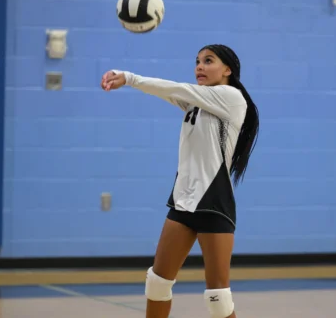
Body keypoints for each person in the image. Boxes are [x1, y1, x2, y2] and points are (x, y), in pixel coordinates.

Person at [100, 44, 259, 318]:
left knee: (218, 298)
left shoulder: (231, 97)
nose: (199, 66)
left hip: (213, 203)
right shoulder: (199, 100)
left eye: (208, 61)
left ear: (227, 70)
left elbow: (177, 89)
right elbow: (171, 92)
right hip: (184, 201)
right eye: (197, 61)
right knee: (157, 283)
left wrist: (130, 76)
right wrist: (132, 83)